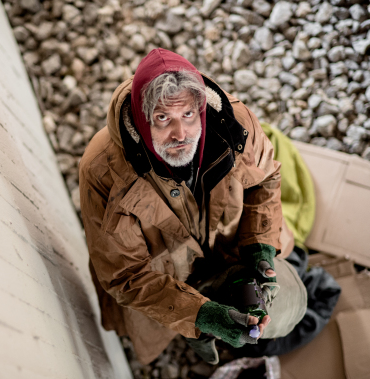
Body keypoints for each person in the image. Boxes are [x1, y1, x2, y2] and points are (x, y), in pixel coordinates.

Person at [79, 48, 305, 365]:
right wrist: (201, 314)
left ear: (200, 108)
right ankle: (195, 330)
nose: (180, 134)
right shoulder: (102, 170)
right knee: (194, 324)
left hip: (228, 250)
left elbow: (265, 180)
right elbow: (126, 275)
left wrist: (259, 249)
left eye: (187, 115)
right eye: (162, 119)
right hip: (165, 281)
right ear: (142, 121)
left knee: (287, 305)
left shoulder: (234, 124)